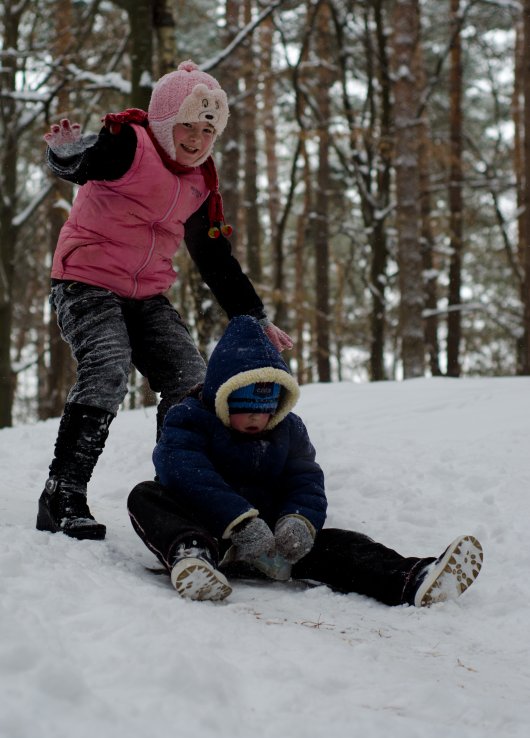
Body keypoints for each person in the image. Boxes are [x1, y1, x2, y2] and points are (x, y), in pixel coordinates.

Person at [36, 60, 292, 541]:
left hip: (147, 294)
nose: (196, 139)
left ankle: (173, 494)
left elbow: (215, 260)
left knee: (190, 378)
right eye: (187, 126)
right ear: (163, 121)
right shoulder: (130, 144)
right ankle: (62, 492)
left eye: (207, 130)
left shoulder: (199, 183)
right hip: (85, 281)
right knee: (109, 366)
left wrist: (254, 318)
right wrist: (65, 154)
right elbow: (85, 164)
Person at [127, 315, 484, 606]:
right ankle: (194, 560)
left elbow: (305, 479)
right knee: (146, 496)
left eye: (265, 410)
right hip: (209, 529)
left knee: (343, 544)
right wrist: (237, 523)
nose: (256, 420)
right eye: (244, 409)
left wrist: (299, 521)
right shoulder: (189, 417)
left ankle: (413, 578)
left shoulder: (288, 430)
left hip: (271, 543)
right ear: (221, 395)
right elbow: (185, 471)